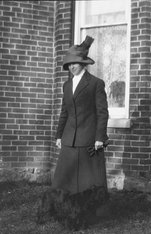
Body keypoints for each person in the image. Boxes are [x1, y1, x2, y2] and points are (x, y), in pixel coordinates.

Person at [52, 35, 109, 194]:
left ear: (83, 63)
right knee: (64, 182)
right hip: (69, 139)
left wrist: (100, 137)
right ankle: (64, 208)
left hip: (89, 140)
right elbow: (64, 112)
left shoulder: (96, 84)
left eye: (75, 62)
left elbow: (102, 113)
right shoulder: (67, 85)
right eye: (69, 63)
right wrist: (59, 135)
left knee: (88, 183)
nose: (72, 66)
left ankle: (91, 213)